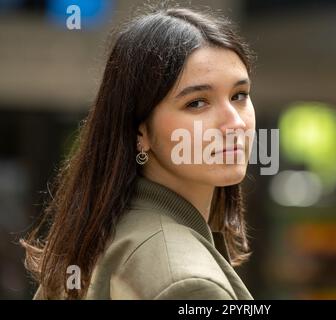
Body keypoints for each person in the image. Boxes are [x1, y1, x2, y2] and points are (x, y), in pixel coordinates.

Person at [21, 5, 256, 300]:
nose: (234, 122)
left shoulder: (97, 241)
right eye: (197, 102)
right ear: (140, 132)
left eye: (239, 96)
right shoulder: (188, 283)